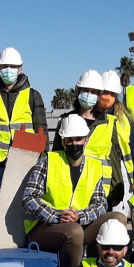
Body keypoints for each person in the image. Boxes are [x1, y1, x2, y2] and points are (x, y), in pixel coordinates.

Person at [22, 114, 126, 267]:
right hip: (44, 228)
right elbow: (29, 197)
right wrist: (57, 216)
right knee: (74, 230)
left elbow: (101, 203)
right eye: (69, 140)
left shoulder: (95, 166)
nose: (74, 143)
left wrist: (80, 216)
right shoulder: (48, 160)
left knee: (118, 218)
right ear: (63, 142)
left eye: (78, 139)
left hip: (78, 223)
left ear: (86, 140)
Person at [0, 47, 47, 212]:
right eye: (4, 66)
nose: (8, 70)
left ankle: (23, 235)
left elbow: (41, 128)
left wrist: (44, 158)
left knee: (25, 201)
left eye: (12, 66)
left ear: (20, 69)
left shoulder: (33, 95)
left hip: (26, 158)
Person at [52, 70, 119, 200]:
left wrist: (116, 191)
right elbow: (57, 155)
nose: (89, 95)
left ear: (99, 95)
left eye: (93, 92)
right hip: (69, 190)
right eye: (85, 90)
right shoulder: (65, 120)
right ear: (78, 92)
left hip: (99, 193)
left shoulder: (109, 123)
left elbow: (114, 158)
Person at [99, 69, 134, 210]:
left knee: (118, 219)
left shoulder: (125, 118)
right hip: (96, 173)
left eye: (112, 94)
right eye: (105, 92)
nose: (108, 97)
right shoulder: (91, 116)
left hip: (121, 175)